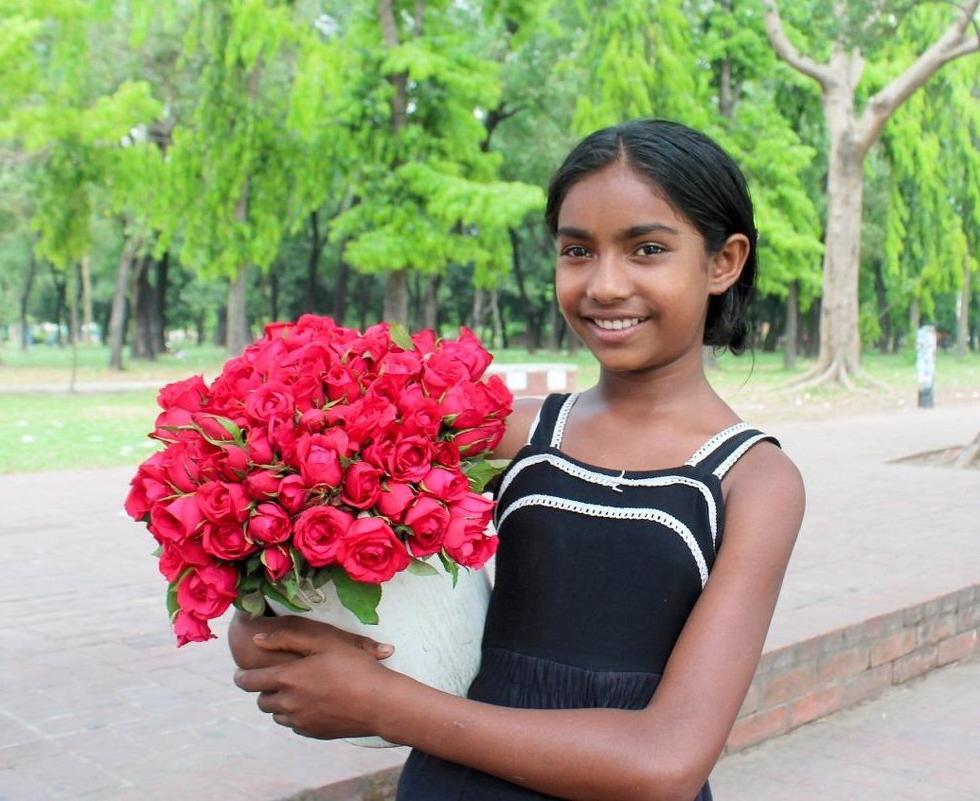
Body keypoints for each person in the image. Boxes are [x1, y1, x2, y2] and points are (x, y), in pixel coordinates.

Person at [229, 118, 805, 800]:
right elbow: (302, 583)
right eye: (577, 251)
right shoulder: (505, 435)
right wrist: (266, 634)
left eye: (647, 248)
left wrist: (384, 703)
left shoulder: (752, 482)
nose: (605, 285)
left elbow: (667, 760)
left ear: (723, 261)